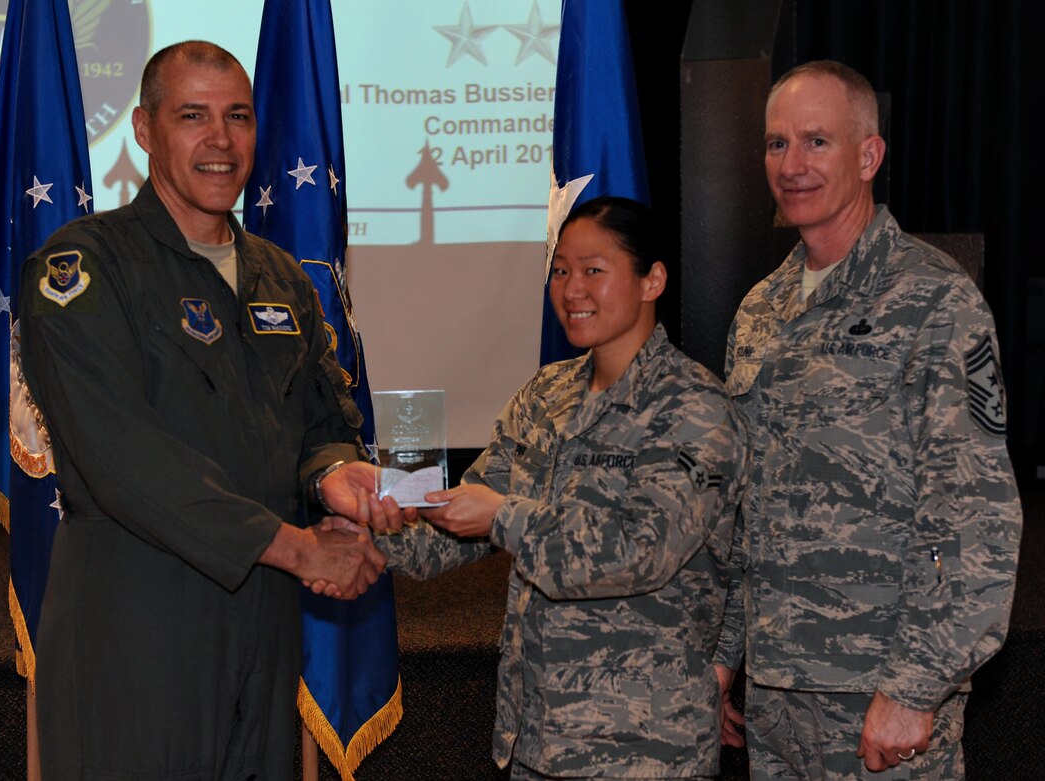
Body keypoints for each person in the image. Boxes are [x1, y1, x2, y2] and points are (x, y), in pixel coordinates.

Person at [17, 41, 401, 779]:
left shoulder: (280, 275)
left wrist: (336, 480)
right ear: (143, 128)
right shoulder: (82, 271)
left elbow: (323, 424)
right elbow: (125, 463)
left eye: (238, 117)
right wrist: (301, 548)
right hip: (137, 632)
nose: (221, 140)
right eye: (193, 115)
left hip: (262, 626)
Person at [713, 60, 1022, 779]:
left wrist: (917, 685)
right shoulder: (760, 309)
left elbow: (975, 516)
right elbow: (740, 508)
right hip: (777, 698)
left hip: (880, 699)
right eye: (776, 144)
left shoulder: (935, 301)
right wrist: (725, 656)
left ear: (868, 153)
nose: (792, 165)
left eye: (817, 141)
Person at [367, 197, 745, 779]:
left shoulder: (694, 408)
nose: (572, 289)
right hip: (534, 740)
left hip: (643, 749)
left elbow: (639, 552)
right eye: (561, 269)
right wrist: (369, 524)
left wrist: (501, 517)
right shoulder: (546, 394)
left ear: (653, 280)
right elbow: (460, 523)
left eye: (594, 270)